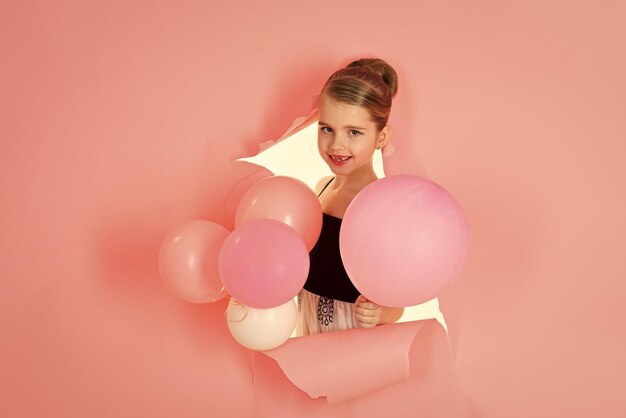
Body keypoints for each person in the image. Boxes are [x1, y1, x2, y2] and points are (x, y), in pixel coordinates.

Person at [296, 58, 405, 336]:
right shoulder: (322, 188)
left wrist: (380, 313)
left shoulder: (379, 207)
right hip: (309, 323)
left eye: (354, 132)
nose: (336, 145)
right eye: (327, 129)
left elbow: (398, 298)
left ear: (381, 137)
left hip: (349, 331)